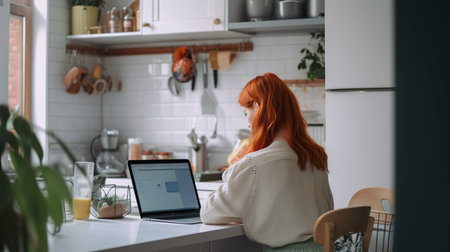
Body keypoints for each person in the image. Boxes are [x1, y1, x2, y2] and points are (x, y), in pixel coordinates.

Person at [200, 73, 334, 251]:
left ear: (257, 106)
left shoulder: (254, 165)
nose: (248, 123)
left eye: (245, 113)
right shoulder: (314, 156)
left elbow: (208, 213)